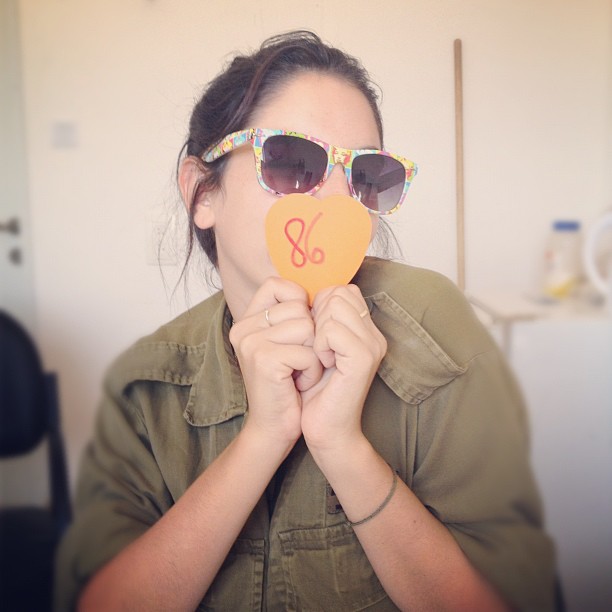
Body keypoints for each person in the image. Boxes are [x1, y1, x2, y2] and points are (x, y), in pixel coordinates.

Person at [55, 30, 556, 611]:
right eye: (292, 162)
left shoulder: (433, 329)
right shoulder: (146, 385)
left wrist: (342, 446)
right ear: (201, 193)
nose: (341, 202)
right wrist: (262, 439)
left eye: (366, 174)